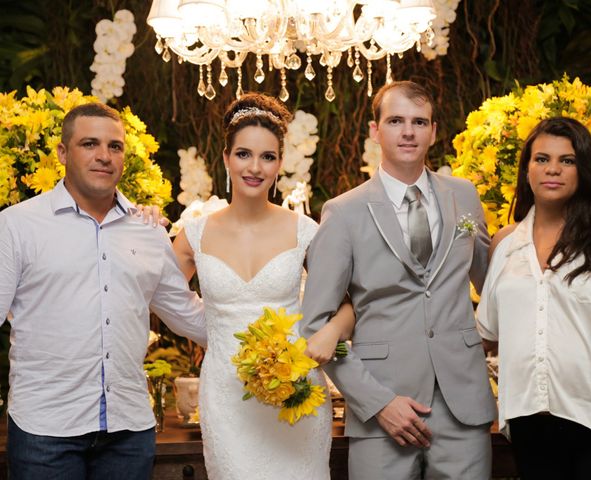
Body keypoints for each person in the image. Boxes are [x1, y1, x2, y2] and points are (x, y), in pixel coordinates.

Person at [301, 80, 497, 480]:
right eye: (395, 120)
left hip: (463, 401)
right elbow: (316, 326)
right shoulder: (344, 213)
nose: (408, 131)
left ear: (434, 131)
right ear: (375, 131)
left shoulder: (465, 196)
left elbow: (493, 286)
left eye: (419, 121)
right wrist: (375, 401)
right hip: (382, 407)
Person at [0, 102, 207, 480]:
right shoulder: (17, 226)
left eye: (114, 147)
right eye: (89, 144)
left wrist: (268, 330)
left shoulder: (147, 231)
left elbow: (188, 314)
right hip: (45, 430)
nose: (104, 156)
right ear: (63, 152)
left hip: (127, 431)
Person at [171, 92, 354, 480]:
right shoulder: (195, 236)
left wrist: (331, 333)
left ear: (280, 165)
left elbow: (350, 303)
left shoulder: (306, 232)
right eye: (243, 154)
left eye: (267, 157)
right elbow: (161, 297)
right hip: (227, 400)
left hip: (296, 397)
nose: (254, 167)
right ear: (225, 158)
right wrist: (215, 335)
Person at [476, 116, 591, 480]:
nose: (553, 169)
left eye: (567, 160)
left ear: (583, 170)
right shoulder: (504, 245)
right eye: (541, 159)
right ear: (527, 170)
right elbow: (485, 335)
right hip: (530, 424)